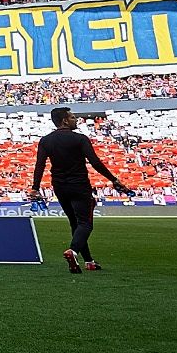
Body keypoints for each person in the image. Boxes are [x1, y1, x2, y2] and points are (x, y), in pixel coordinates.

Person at [30, 107, 134, 273]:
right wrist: (114, 179)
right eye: (72, 117)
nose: (75, 120)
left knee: (75, 223)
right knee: (85, 224)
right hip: (79, 186)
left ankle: (89, 261)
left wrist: (35, 188)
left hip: (59, 186)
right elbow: (95, 162)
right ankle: (73, 251)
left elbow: (40, 165)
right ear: (64, 120)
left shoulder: (46, 140)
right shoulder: (80, 139)